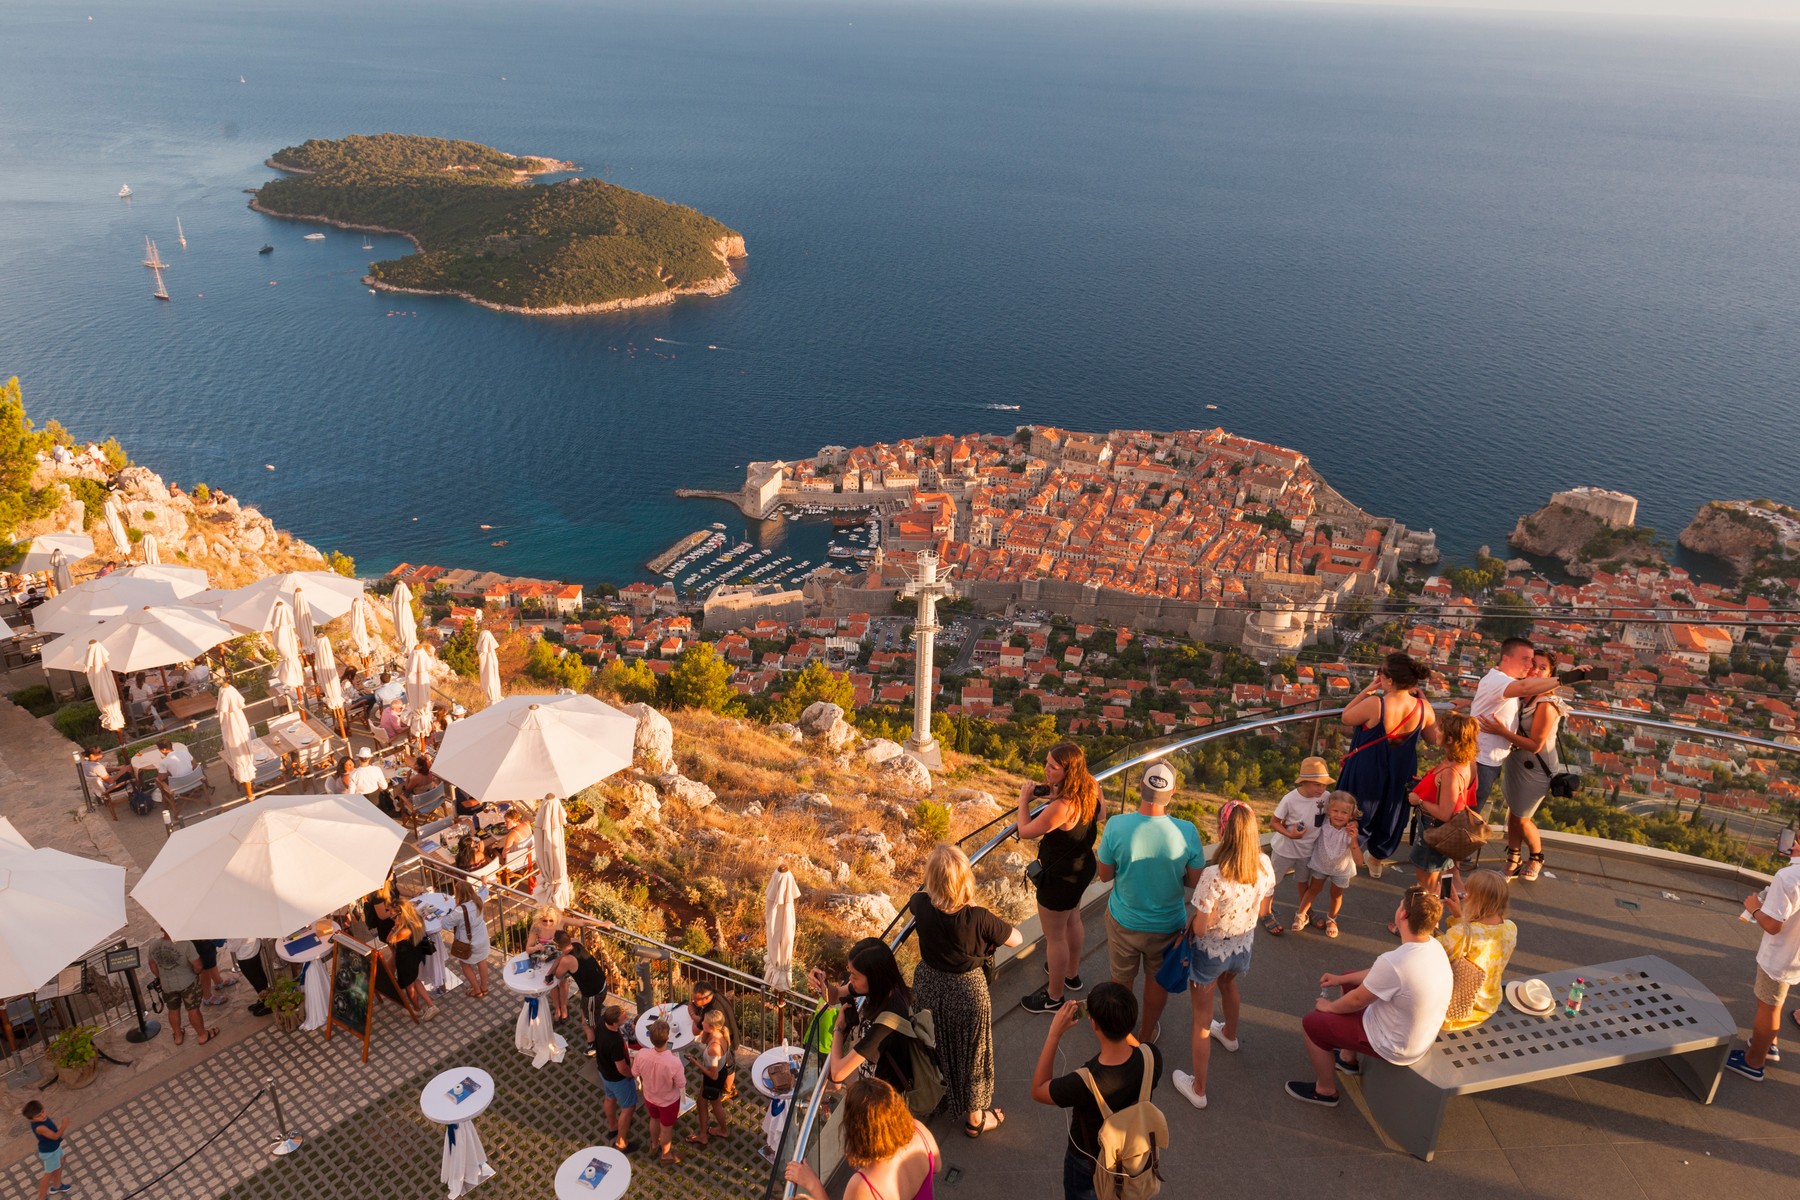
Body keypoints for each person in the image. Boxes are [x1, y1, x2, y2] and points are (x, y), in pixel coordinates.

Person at [1285, 887, 1452, 1107]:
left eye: (1401, 904)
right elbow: (1382, 975)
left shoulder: (1397, 961)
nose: (1399, 907)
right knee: (1348, 979)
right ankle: (1347, 1059)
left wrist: (1330, 1007)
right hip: (1419, 1037)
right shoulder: (1433, 946)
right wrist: (1340, 980)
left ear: (1403, 915)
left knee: (1312, 1024)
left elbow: (1357, 1000)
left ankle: (1325, 1090)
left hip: (1396, 1046)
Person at [907, 843, 1022, 1137]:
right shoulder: (979, 918)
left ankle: (937, 1095)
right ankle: (974, 1118)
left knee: (933, 1040)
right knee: (972, 1051)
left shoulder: (920, 906)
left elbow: (918, 897)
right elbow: (1017, 939)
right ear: (966, 880)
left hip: (929, 984)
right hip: (966, 991)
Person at [1172, 802, 1274, 1110]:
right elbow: (1265, 910)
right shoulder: (1265, 864)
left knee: (1201, 1019)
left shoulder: (1214, 875)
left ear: (1222, 831)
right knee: (1230, 986)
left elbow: (1201, 930)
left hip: (1210, 954)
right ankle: (1230, 1035)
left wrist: (1199, 919)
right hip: (1241, 946)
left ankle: (1199, 1088)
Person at [1097, 762, 1205, 1043]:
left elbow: (1105, 875)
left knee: (1121, 980)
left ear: (1140, 787)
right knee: (1158, 981)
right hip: (1167, 925)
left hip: (1124, 922)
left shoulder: (1116, 825)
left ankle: (1122, 1033)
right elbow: (1194, 881)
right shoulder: (1188, 831)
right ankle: (1145, 1036)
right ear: (1172, 793)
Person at [1032, 982, 1160, 1200]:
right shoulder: (1152, 1057)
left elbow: (1038, 1089)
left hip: (1089, 1160)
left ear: (1093, 1024)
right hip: (1134, 1150)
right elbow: (1136, 1046)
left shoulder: (1085, 1081)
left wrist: (1054, 1034)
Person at [1016, 742, 1102, 1014]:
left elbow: (1026, 831)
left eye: (1053, 766)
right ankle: (1070, 975)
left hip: (1060, 879)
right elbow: (1101, 814)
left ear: (1067, 771)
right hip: (1082, 867)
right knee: (1073, 919)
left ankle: (1054, 998)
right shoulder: (1090, 786)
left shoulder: (1063, 807)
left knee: (1055, 938)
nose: (1046, 769)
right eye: (1047, 762)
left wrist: (1023, 800)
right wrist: (1052, 794)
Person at [1336, 652, 1440, 874]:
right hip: (1402, 770)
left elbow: (1346, 716)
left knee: (1358, 809)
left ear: (1390, 680)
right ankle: (1376, 858)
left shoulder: (1376, 703)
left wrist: (1367, 690)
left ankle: (1346, 858)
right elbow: (1434, 739)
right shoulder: (1423, 708)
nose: (1378, 677)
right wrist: (1425, 703)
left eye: (1380, 673)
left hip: (1368, 767)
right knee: (1391, 812)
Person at [1482, 649, 1568, 882]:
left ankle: (1535, 857)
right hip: (1516, 762)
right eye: (1533, 665)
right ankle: (1515, 857)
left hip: (1536, 769)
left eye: (1543, 668)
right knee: (1514, 812)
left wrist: (1501, 732)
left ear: (1551, 675)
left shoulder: (1546, 704)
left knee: (1521, 817)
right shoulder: (1522, 694)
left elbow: (1535, 744)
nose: (1536, 670)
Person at [784, 1078, 940, 1200]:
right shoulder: (920, 1131)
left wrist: (813, 1183)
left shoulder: (864, 1186)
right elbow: (937, 1166)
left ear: (857, 1130)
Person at [1726, 846, 1800, 1081]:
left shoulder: (1788, 877)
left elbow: (1773, 926)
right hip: (1795, 955)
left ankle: (1754, 1061)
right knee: (1774, 1003)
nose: (1792, 844)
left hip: (1780, 956)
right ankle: (1768, 1045)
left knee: (1768, 1007)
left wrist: (1753, 908)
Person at [811, 939, 917, 1095]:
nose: (850, 980)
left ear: (874, 977)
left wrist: (839, 1029)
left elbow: (838, 1073)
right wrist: (821, 983)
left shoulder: (890, 1018)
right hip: (867, 1088)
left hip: (882, 1101)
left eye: (854, 975)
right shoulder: (880, 988)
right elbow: (835, 996)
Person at [1470, 637, 1561, 818]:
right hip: (1485, 760)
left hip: (1522, 765)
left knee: (1518, 818)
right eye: (1527, 660)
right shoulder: (1509, 685)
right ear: (1506, 658)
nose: (1530, 667)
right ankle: (1449, 844)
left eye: (1540, 667)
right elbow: (1524, 688)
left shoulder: (1519, 691)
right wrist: (1567, 679)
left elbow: (1497, 705)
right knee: (1468, 815)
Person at [1406, 712, 1479, 925]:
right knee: (1445, 876)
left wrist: (1418, 799)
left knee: (1427, 884)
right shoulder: (1470, 762)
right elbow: (1463, 796)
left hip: (1434, 830)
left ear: (1449, 739)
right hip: (1451, 833)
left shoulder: (1450, 772)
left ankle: (1426, 924)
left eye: (1440, 729)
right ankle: (1451, 912)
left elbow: (1444, 813)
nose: (1435, 731)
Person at [1438, 870, 1518, 1031]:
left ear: (1477, 901)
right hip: (1488, 1004)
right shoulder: (1510, 928)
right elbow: (1475, 939)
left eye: (1467, 894)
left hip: (1455, 1010)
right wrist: (1458, 915)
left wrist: (1433, 917)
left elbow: (1432, 953)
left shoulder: (1463, 933)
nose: (1464, 897)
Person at [1266, 757, 1333, 935]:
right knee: (1272, 882)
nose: (1322, 788)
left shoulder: (1326, 797)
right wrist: (1290, 834)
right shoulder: (1290, 799)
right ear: (1304, 782)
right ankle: (1265, 912)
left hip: (1307, 850)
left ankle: (1304, 909)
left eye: (1324, 784)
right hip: (1285, 850)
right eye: (1317, 784)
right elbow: (1274, 822)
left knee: (1303, 881)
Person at [1293, 792, 1365, 938]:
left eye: (1344, 812)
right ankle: (1301, 914)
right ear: (1328, 811)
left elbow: (1359, 861)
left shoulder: (1350, 832)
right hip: (1321, 865)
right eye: (1335, 811)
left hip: (1341, 870)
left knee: (1336, 895)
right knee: (1313, 890)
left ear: (1351, 815)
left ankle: (1332, 919)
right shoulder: (1323, 823)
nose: (1339, 815)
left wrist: (1354, 839)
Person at [633, 1017, 688, 1165]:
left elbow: (634, 1072)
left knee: (654, 1120)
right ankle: (666, 1155)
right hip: (668, 1101)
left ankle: (654, 1145)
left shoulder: (641, 1054)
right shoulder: (674, 1062)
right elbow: (681, 1083)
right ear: (667, 1037)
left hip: (650, 1097)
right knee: (666, 1129)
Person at [146, 931, 215, 1046]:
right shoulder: (186, 944)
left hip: (167, 985)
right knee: (193, 1010)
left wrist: (161, 976)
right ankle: (202, 1035)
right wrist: (195, 973)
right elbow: (198, 966)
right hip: (188, 983)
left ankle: (178, 1036)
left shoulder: (153, 945)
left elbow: (152, 966)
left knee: (173, 1010)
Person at [549, 929, 611, 1047]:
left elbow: (558, 975)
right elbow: (564, 954)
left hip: (593, 994)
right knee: (586, 1017)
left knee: (590, 1022)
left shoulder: (567, 960)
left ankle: (599, 1044)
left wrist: (551, 970)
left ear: (557, 945)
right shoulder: (576, 943)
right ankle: (594, 1041)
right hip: (601, 985)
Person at [386, 900, 440, 1021]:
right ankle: (431, 1005)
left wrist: (395, 927)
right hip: (413, 954)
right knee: (414, 980)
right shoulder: (414, 921)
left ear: (401, 915)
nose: (391, 917)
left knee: (409, 986)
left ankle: (417, 1009)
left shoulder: (404, 930)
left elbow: (389, 940)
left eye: (394, 915)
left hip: (406, 959)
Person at [595, 1005, 639, 1152]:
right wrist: (632, 1073)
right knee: (628, 1107)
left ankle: (613, 1126)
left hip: (604, 1071)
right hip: (618, 1079)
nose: (626, 1017)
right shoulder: (615, 1041)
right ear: (615, 1023)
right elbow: (622, 1068)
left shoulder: (602, 1021)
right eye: (623, 1017)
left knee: (609, 1098)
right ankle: (621, 1142)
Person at [688, 1009, 734, 1147]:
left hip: (713, 1079)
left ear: (712, 1026)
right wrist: (705, 1030)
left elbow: (713, 1075)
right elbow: (703, 1040)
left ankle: (723, 1131)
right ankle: (703, 1134)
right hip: (720, 1073)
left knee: (715, 1105)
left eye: (705, 1022)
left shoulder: (714, 1048)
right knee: (701, 1103)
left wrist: (695, 1063)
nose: (701, 1022)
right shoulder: (721, 1034)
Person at [687, 982, 741, 1098]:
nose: (694, 1001)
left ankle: (728, 1090)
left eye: (696, 999)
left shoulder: (710, 1012)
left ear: (706, 998)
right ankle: (728, 1086)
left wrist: (692, 1013)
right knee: (728, 1064)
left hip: (728, 1039)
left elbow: (696, 1031)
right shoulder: (715, 995)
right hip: (729, 1033)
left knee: (729, 1066)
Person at [444, 880, 491, 997]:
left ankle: (476, 990)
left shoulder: (459, 910)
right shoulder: (478, 899)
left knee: (465, 964)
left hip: (468, 942)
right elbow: (485, 890)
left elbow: (445, 924)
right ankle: (484, 987)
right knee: (482, 961)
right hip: (482, 938)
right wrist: (484, 883)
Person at [24, 1100, 70, 1199]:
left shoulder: (43, 1119)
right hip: (50, 1152)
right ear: (32, 1119)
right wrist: (64, 1125)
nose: (43, 1116)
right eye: (38, 1116)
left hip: (55, 1147)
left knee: (62, 1161)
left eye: (43, 1112)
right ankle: (41, 1197)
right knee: (48, 1175)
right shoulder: (40, 1127)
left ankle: (57, 1185)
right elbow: (55, 1136)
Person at [762, 1060, 796, 1162]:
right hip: (782, 1108)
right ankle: (775, 1149)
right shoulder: (779, 1100)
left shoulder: (779, 1099)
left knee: (778, 1128)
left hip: (782, 1110)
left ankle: (777, 1151)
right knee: (777, 1127)